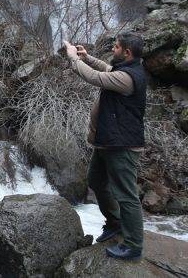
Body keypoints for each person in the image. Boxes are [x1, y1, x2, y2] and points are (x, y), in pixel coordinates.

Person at [62, 33, 147, 262]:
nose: (113, 48)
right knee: (96, 180)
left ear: (127, 53)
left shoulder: (129, 78)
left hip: (122, 145)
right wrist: (87, 57)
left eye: (117, 46)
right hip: (109, 141)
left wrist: (73, 59)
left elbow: (96, 77)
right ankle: (115, 222)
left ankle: (133, 245)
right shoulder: (126, 68)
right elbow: (106, 69)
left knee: (127, 195)